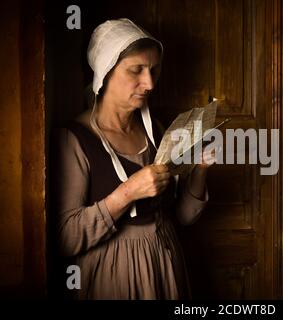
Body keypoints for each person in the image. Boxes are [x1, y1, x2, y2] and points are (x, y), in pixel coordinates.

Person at [54, 18, 214, 299]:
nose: (149, 83)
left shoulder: (157, 132)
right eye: (136, 70)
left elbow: (183, 217)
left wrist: (200, 169)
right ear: (105, 73)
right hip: (113, 274)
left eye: (154, 69)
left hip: (164, 266)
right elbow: (66, 239)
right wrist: (128, 192)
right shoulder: (74, 139)